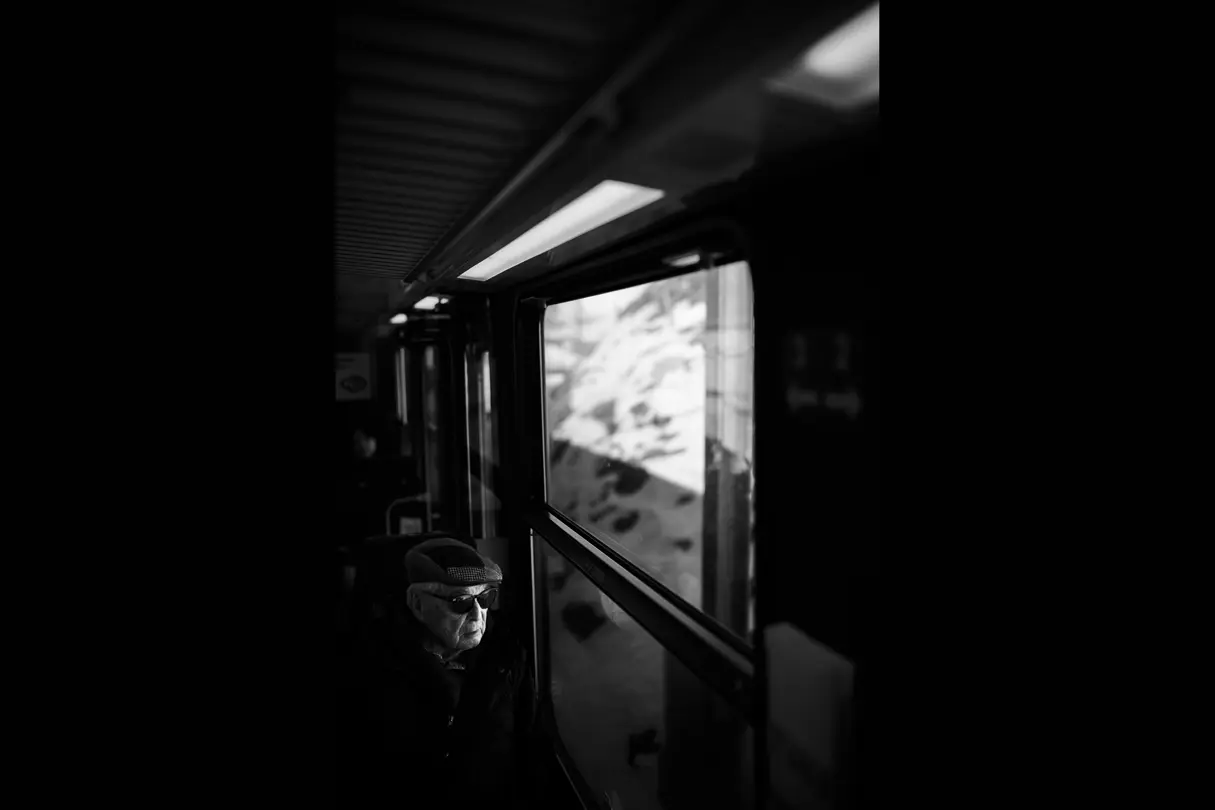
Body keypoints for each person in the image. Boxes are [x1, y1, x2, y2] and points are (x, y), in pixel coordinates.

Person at [338, 536, 538, 807]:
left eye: (485, 598)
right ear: (417, 604)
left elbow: (532, 748)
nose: (478, 616)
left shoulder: (505, 657)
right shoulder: (370, 667)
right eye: (460, 602)